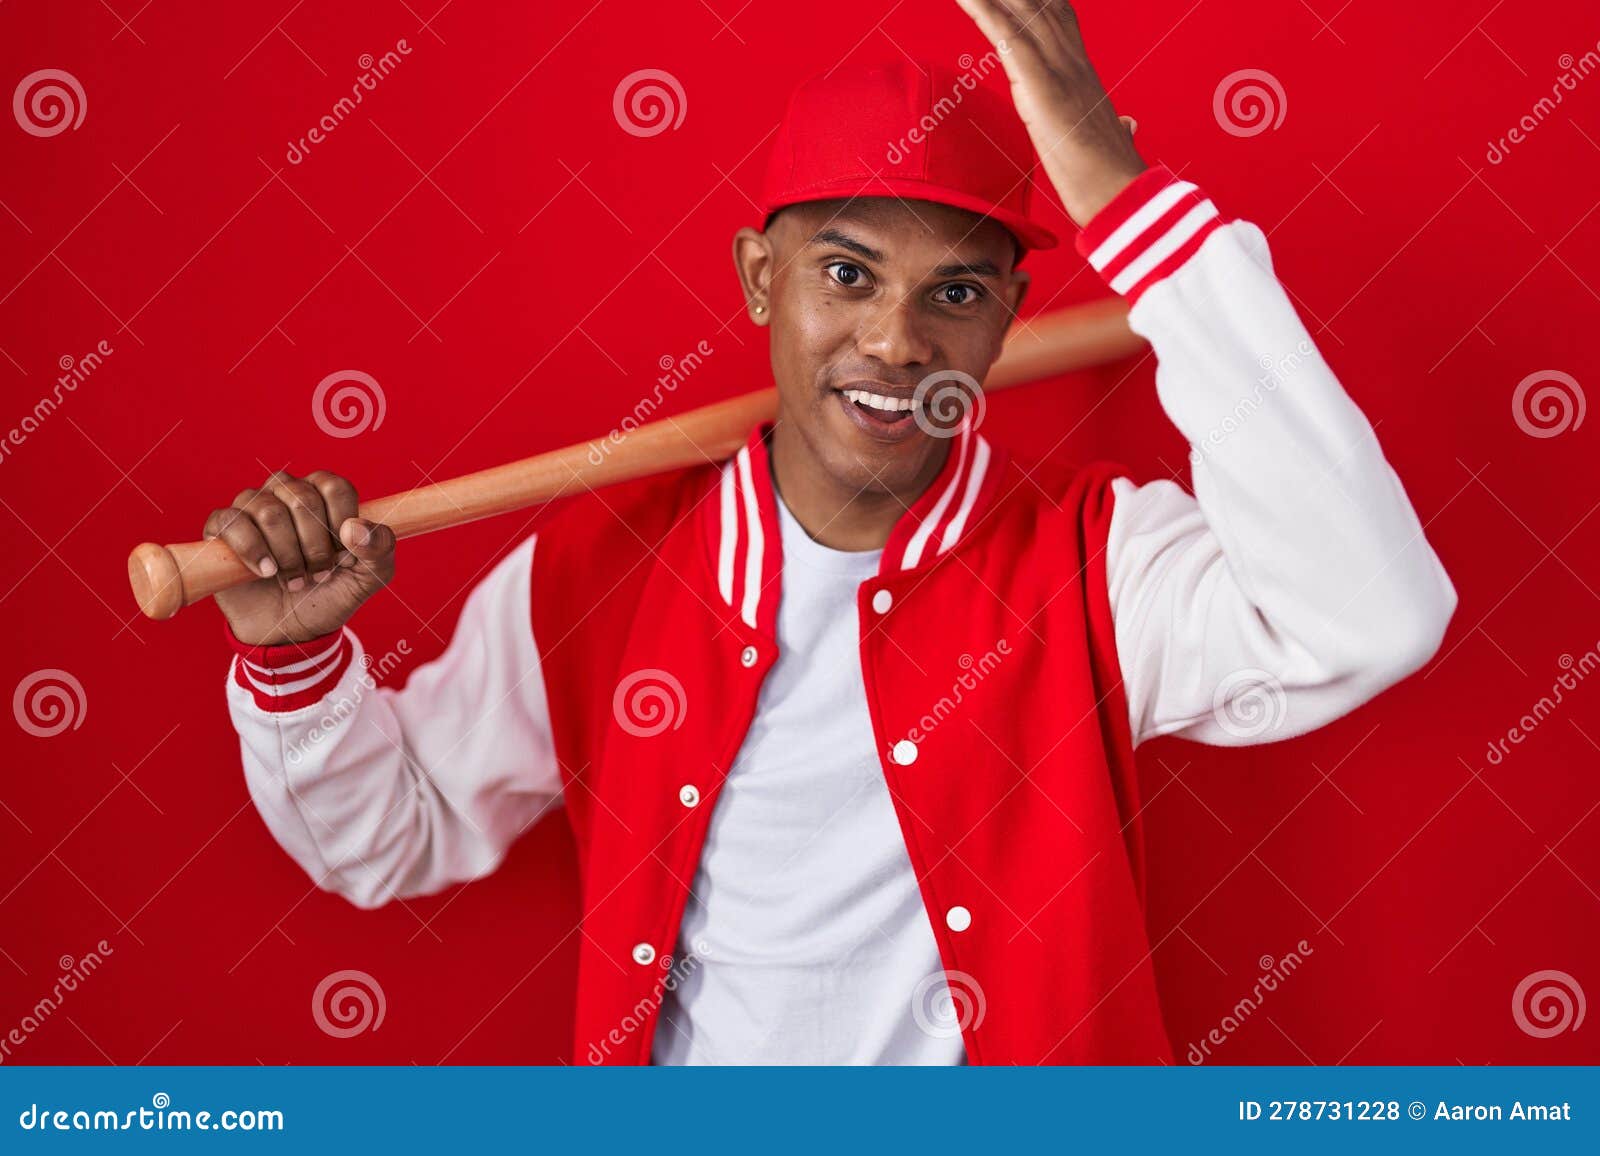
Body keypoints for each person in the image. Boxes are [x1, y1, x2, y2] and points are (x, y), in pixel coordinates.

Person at [209, 0, 1456, 1064]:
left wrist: (1130, 216)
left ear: (1008, 321)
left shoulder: (1102, 566)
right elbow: (394, 838)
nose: (896, 342)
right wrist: (296, 667)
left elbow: (1373, 614)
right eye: (846, 274)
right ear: (761, 276)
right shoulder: (593, 570)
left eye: (954, 293)